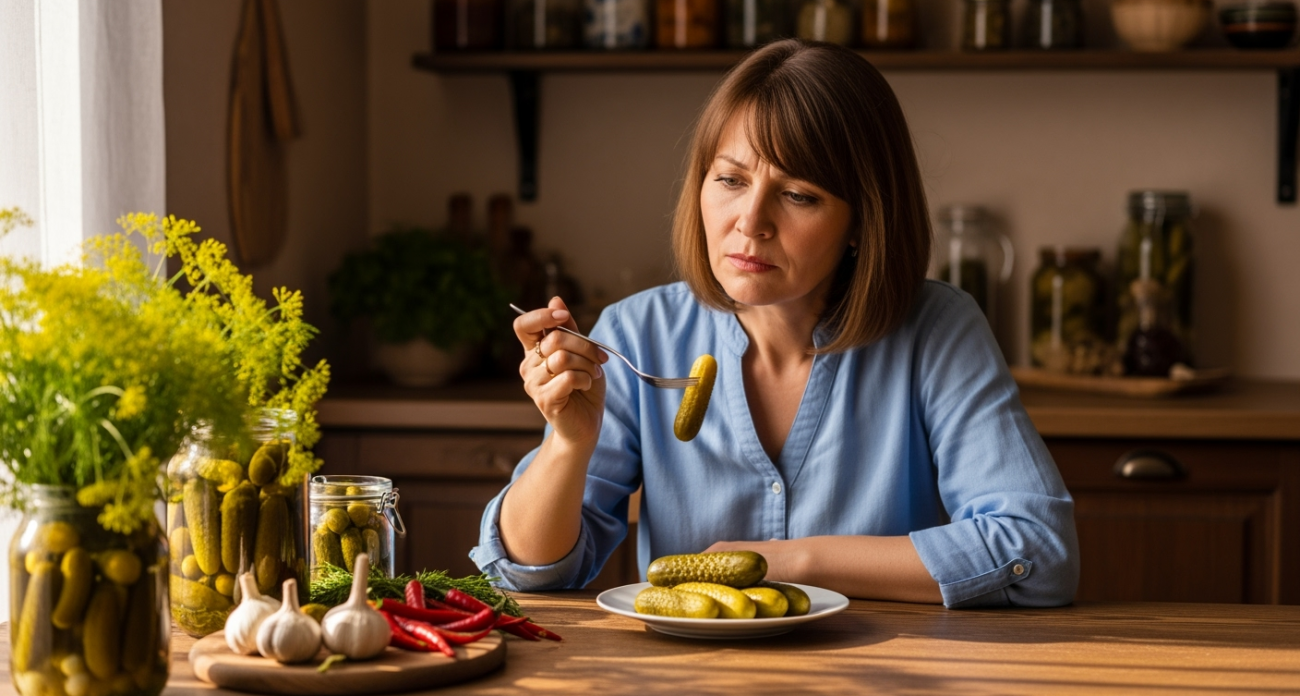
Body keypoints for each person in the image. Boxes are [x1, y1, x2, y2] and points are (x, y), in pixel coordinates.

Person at [470, 39, 1078, 608]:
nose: (750, 220)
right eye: (730, 180)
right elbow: (529, 573)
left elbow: (1038, 552)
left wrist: (791, 561)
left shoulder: (938, 331)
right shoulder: (635, 334)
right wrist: (568, 443)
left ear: (864, 222)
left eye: (799, 195)